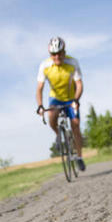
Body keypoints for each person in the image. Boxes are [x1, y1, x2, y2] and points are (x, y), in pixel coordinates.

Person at [36, 36, 86, 171]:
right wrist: (40, 105)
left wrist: (76, 99)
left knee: (75, 125)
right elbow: (39, 89)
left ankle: (79, 157)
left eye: (59, 53)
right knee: (51, 115)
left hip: (71, 98)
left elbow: (79, 84)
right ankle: (58, 134)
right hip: (55, 98)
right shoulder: (45, 66)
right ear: (50, 55)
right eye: (53, 54)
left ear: (64, 52)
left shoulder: (72, 63)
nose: (57, 57)